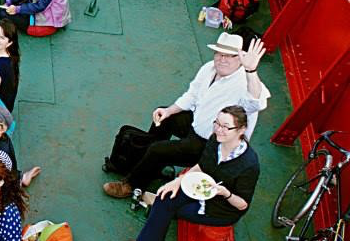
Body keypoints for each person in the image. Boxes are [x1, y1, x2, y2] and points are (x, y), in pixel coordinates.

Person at [103, 33, 269, 199]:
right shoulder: (209, 68)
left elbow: (255, 103)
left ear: (240, 58)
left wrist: (251, 70)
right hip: (197, 123)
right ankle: (147, 165)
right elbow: (192, 95)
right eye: (219, 54)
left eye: (230, 56)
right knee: (165, 119)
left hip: (213, 144)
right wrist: (169, 111)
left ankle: (132, 185)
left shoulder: (246, 83)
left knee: (158, 150)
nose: (222, 59)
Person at [118, 106, 259, 241]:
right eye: (217, 123)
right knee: (165, 197)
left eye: (226, 127)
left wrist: (225, 193)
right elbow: (202, 166)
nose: (219, 130)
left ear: (241, 130)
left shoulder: (249, 164)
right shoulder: (215, 140)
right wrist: (177, 181)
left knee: (172, 210)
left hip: (221, 208)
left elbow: (242, 205)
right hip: (202, 189)